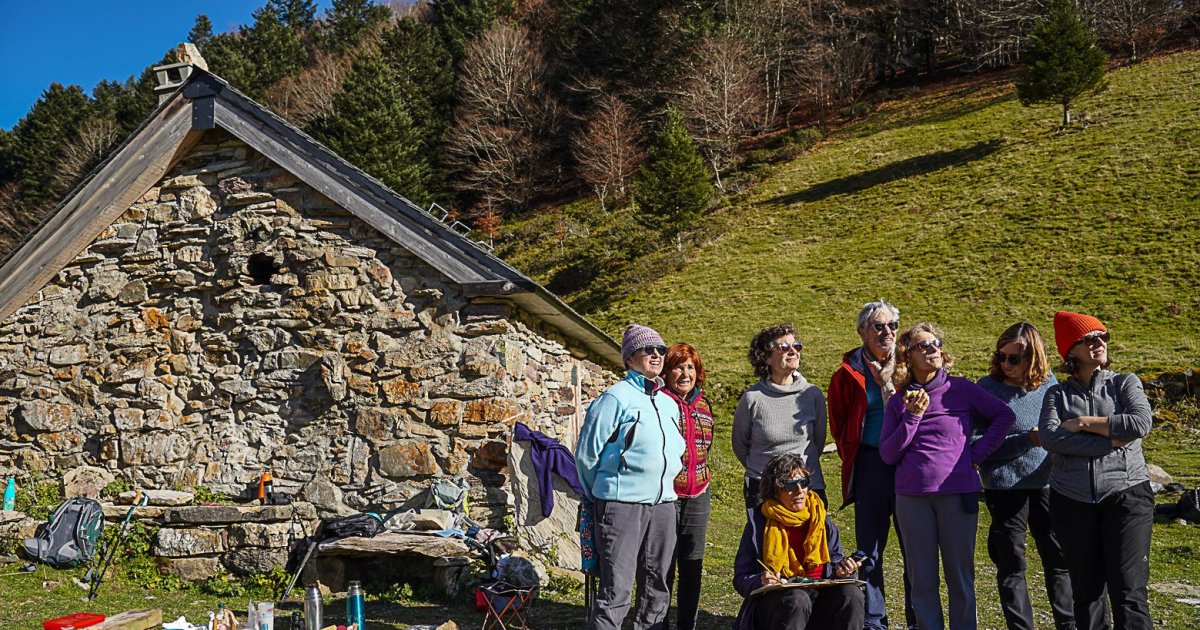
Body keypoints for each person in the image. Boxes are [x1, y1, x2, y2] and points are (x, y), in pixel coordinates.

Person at [880, 322, 1015, 630]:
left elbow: (1004, 416)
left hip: (957, 493)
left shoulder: (960, 388)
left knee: (960, 576)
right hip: (911, 497)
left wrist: (974, 456)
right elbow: (888, 454)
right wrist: (912, 417)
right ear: (907, 356)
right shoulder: (900, 400)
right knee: (922, 578)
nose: (933, 349)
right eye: (923, 345)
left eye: (936, 343)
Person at [1040, 311, 1154, 630]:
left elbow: (1140, 423)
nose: (1099, 343)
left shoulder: (1125, 382)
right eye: (1089, 339)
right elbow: (1051, 439)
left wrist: (1083, 423)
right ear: (1070, 351)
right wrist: (1112, 440)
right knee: (1086, 592)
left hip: (1126, 495)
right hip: (1071, 500)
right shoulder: (1057, 394)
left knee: (1128, 590)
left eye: (1102, 337)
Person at [575, 324, 685, 630]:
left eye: (661, 350)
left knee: (657, 587)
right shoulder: (614, 398)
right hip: (620, 504)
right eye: (647, 349)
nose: (656, 355)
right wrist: (602, 493)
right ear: (629, 357)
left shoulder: (668, 403)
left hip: (663, 504)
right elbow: (586, 455)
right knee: (617, 589)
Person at [976, 323, 1075, 630]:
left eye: (1014, 358)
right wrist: (1027, 440)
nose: (1006, 364)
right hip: (1005, 487)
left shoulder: (1049, 384)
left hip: (1048, 483)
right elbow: (976, 446)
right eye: (1001, 356)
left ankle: (1069, 624)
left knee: (1058, 558)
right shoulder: (986, 389)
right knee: (1011, 562)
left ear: (1034, 357)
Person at [827, 299, 915, 630]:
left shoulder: (910, 366)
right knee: (869, 547)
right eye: (879, 326)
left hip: (907, 463)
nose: (887, 332)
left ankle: (918, 619)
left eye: (892, 325)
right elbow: (839, 422)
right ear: (862, 331)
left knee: (913, 546)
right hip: (870, 463)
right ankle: (874, 621)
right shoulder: (847, 374)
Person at [732, 453, 865, 630]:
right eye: (790, 485)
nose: (799, 490)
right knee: (797, 598)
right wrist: (760, 580)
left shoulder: (821, 521)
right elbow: (741, 578)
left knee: (852, 594)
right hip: (780, 605)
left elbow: (834, 564)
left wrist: (843, 571)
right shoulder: (759, 525)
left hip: (818, 602)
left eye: (804, 482)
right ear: (774, 491)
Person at [733, 324, 828, 512]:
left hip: (806, 487)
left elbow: (818, 442)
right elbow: (740, 445)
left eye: (796, 346)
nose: (793, 351)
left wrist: (796, 475)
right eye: (784, 347)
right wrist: (769, 473)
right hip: (764, 490)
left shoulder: (812, 394)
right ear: (766, 357)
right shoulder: (752, 398)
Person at [661, 343, 715, 630]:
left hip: (698, 493)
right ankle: (659, 624)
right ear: (667, 372)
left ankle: (687, 625)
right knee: (663, 567)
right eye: (678, 367)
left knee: (692, 566)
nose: (685, 374)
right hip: (665, 496)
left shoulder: (704, 405)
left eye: (690, 367)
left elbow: (707, 446)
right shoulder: (659, 401)